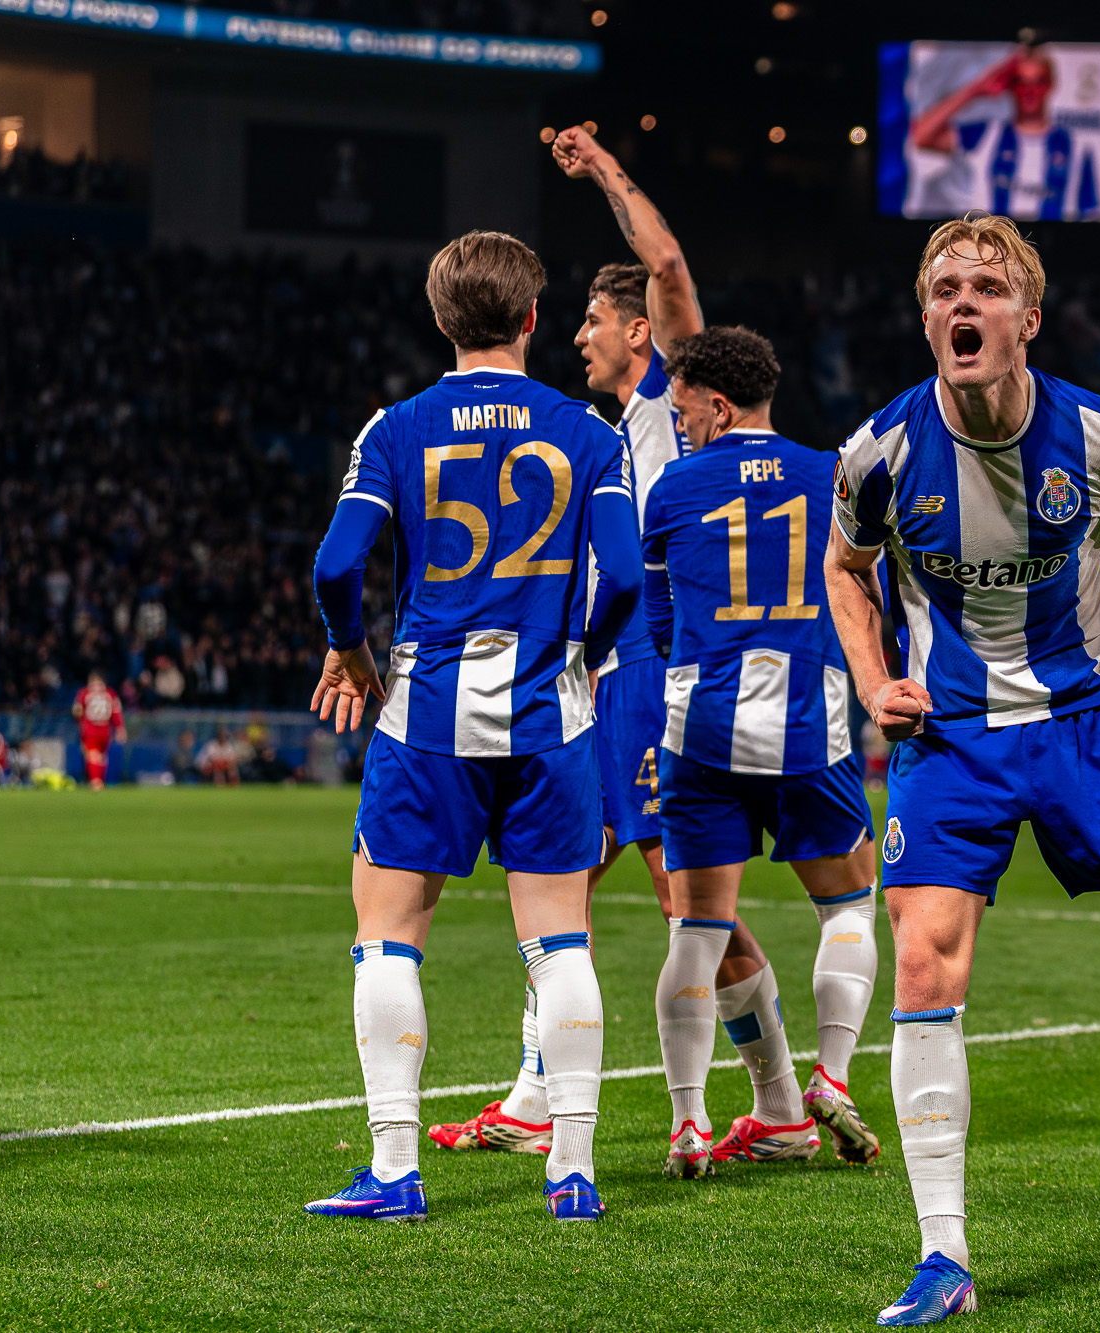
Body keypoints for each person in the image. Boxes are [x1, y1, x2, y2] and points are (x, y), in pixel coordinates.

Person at [823, 211, 1100, 1326]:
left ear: (1028, 317)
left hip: (1086, 719)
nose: (960, 305)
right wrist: (871, 677)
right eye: (942, 289)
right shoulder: (877, 451)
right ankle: (944, 1256)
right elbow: (844, 565)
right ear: (925, 316)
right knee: (925, 972)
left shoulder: (1099, 437)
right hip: (951, 739)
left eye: (984, 288)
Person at [423, 126, 796, 1160]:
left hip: (648, 675)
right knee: (563, 870)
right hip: (608, 674)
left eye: (592, 320)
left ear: (640, 333)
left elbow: (669, 265)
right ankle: (539, 1095)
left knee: (686, 899)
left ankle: (776, 1099)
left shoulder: (666, 406)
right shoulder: (608, 427)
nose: (577, 337)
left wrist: (604, 173)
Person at [303, 229, 641, 1224]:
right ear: (534, 318)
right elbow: (621, 576)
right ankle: (571, 1171)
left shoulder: (396, 427)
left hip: (429, 719)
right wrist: (581, 649)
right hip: (548, 717)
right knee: (559, 941)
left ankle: (396, 1171)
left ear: (442, 318)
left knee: (387, 936)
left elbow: (335, 565)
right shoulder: (589, 432)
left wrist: (349, 648)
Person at [643, 326, 883, 1175]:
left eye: (683, 410)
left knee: (696, 927)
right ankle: (832, 1075)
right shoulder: (836, 473)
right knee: (849, 904)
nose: (681, 424)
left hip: (700, 725)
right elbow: (867, 593)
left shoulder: (672, 489)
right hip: (808, 725)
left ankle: (688, 1123)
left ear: (715, 404)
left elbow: (662, 621)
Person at [908, 45, 1093, 222]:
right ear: (1011, 87)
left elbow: (1088, 211)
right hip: (988, 252)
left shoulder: (1076, 147)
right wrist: (976, 89)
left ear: (1051, 84)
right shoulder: (986, 134)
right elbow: (921, 135)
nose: (1030, 91)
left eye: (1038, 82)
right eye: (1021, 82)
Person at [71, 669, 126, 790]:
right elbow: (116, 712)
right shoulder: (110, 694)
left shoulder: (84, 693)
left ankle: (96, 781)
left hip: (90, 729)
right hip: (105, 729)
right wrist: (120, 728)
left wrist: (78, 719)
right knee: (101, 757)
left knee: (91, 755)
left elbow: (77, 710)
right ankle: (100, 780)